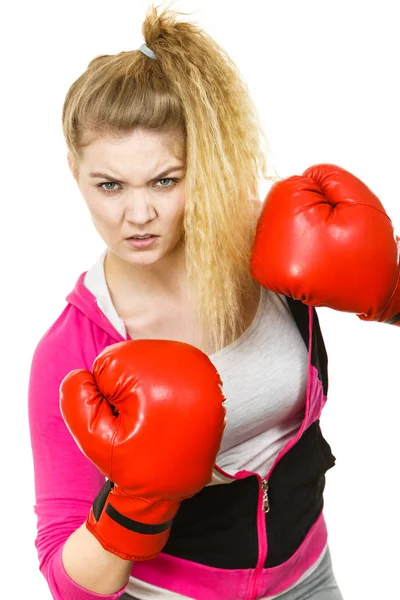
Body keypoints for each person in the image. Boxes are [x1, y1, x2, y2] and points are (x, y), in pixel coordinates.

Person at [27, 3, 399, 600]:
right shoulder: (74, 349)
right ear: (74, 172)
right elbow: (66, 584)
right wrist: (136, 503)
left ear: (198, 169)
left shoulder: (272, 246)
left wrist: (390, 291)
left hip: (310, 572)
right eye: (110, 185)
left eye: (165, 180)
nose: (138, 214)